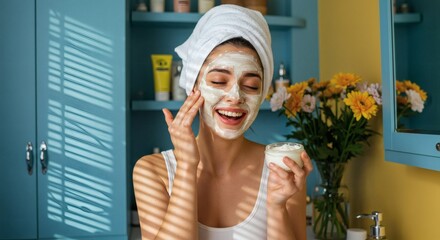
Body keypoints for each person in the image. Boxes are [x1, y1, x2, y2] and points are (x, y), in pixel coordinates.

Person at [133, 4, 313, 240]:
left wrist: (277, 206)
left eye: (251, 86)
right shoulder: (153, 171)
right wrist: (186, 166)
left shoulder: (282, 170)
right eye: (219, 81)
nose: (236, 96)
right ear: (193, 87)